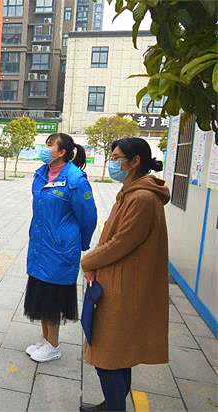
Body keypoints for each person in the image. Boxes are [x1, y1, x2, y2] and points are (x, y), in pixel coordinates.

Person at [80, 138, 169, 411]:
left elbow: (122, 242)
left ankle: (115, 407)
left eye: (117, 158)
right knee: (119, 354)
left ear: (135, 161)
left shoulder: (141, 198)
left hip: (124, 289)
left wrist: (88, 260)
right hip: (118, 281)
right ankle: (111, 404)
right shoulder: (130, 193)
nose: (113, 163)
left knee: (107, 357)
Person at [25, 133, 97, 362]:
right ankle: (46, 339)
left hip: (60, 248)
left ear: (62, 152)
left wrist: (78, 244)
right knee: (41, 293)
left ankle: (53, 346)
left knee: (52, 297)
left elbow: (89, 218)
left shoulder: (75, 180)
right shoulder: (41, 174)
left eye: (49, 145)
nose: (43, 148)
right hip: (40, 244)